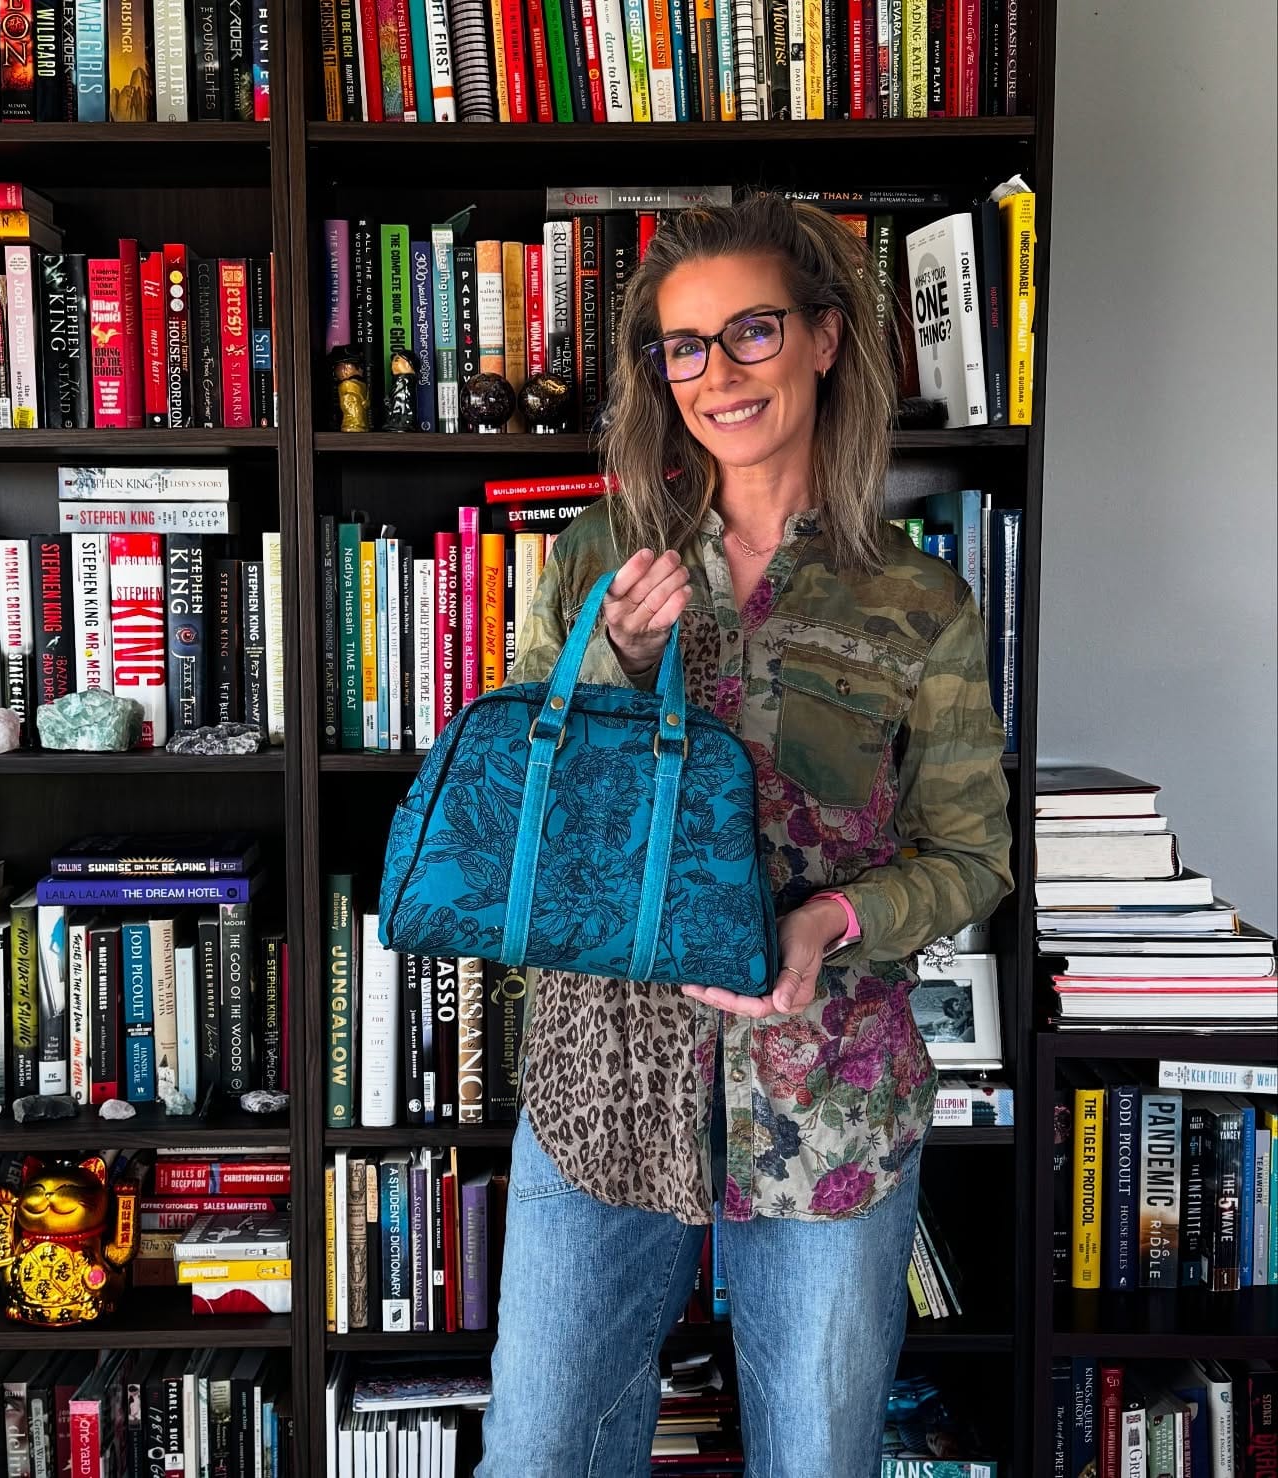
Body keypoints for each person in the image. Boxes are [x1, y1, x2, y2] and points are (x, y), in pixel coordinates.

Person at [475, 194, 1014, 1477]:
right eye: (686, 346)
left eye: (753, 331)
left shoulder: (919, 597)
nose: (719, 372)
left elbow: (972, 855)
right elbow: (522, 808)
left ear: (825, 338)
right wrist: (617, 655)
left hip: (826, 1098)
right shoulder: (603, 557)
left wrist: (829, 922)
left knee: (818, 1457)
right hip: (602, 1076)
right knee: (543, 1451)